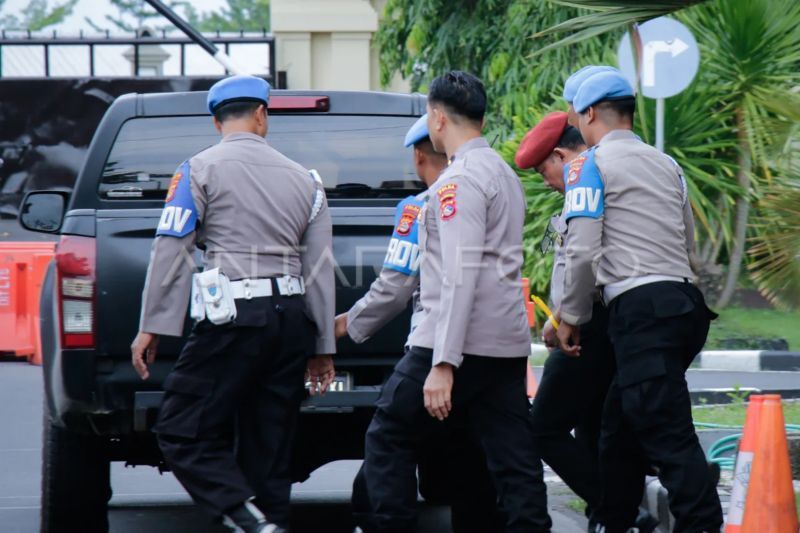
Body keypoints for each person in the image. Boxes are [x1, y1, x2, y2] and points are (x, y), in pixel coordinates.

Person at [130, 75, 337, 533]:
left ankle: (242, 515)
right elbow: (319, 268)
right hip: (290, 322)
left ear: (216, 121)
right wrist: (322, 345)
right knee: (270, 445)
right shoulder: (307, 179)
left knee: (182, 426)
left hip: (234, 319)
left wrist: (152, 326)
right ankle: (268, 523)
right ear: (262, 115)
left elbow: (172, 248)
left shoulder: (197, 169)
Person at [355, 71, 551, 533]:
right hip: (504, 344)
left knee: (388, 436)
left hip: (454, 342)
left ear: (438, 118)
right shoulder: (504, 173)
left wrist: (443, 363)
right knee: (510, 458)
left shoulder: (456, 182)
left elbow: (461, 275)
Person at [556, 70, 723, 533]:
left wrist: (570, 315)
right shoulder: (667, 163)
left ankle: (703, 524)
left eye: (575, 112)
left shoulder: (587, 165)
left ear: (588, 113)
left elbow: (583, 248)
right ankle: (618, 521)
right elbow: (689, 245)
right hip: (683, 304)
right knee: (619, 430)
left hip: (643, 312)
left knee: (666, 434)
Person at [339, 115, 502, 532]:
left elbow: (394, 286)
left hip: (434, 350)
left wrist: (345, 325)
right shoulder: (493, 187)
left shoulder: (420, 206)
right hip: (490, 350)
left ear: (417, 156)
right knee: (472, 447)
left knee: (388, 436)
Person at [515, 112, 613, 519]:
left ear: (559, 155)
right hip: (591, 321)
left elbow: (586, 257)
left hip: (588, 325)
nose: (544, 180)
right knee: (592, 426)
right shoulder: (591, 178)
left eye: (543, 170)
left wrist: (566, 319)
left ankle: (614, 508)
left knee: (544, 428)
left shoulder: (586, 178)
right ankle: (608, 514)